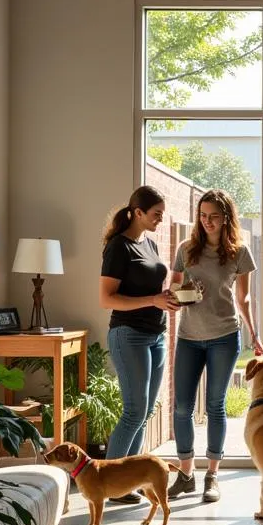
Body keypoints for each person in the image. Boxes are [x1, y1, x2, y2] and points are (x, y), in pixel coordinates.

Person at [167, 190, 263, 503]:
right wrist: (185, 291)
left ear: (226, 219)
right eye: (203, 215)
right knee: (182, 407)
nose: (207, 222)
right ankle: (185, 475)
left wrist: (255, 333)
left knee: (214, 406)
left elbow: (243, 298)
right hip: (189, 337)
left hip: (224, 336)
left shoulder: (239, 252)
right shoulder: (186, 248)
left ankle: (212, 476)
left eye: (214, 217)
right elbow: (174, 288)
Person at [99, 185, 178, 504]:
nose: (160, 219)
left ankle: (127, 481)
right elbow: (106, 299)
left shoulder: (150, 243)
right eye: (156, 214)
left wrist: (169, 299)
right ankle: (108, 484)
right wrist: (153, 300)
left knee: (144, 411)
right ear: (137, 212)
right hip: (128, 334)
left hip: (155, 334)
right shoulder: (118, 247)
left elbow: (152, 292)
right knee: (133, 410)